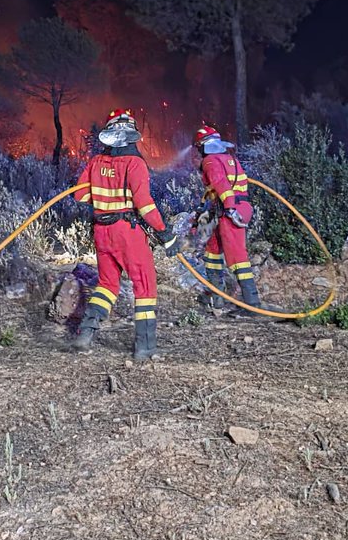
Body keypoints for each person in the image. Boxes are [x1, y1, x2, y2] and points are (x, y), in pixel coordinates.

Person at [71, 109, 178, 360]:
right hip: (126, 232)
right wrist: (165, 233)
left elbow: (80, 195)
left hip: (101, 231)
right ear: (131, 135)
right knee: (145, 285)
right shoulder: (134, 163)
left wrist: (103, 199)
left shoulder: (96, 162)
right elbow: (145, 203)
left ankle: (86, 333)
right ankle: (145, 347)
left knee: (108, 284)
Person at [193, 123, 261, 310]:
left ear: (203, 145)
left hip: (231, 211)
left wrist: (230, 209)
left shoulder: (210, 161)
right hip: (232, 208)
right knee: (212, 250)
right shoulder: (230, 159)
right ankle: (218, 297)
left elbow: (221, 185)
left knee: (237, 256)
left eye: (198, 148)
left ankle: (252, 304)